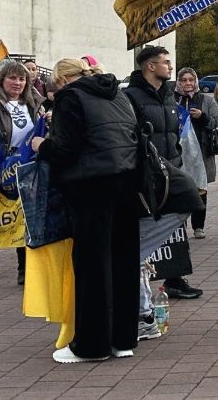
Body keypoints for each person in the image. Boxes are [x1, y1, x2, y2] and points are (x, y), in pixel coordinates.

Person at [34, 58, 139, 363]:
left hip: (90, 187)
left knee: (93, 267)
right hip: (127, 182)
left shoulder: (71, 97)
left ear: (63, 80)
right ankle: (123, 339)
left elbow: (65, 150)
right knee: (123, 262)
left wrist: (41, 143)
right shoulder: (119, 93)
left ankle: (92, 345)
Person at [124, 46, 204, 301]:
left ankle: (175, 277)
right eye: (166, 62)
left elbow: (173, 133)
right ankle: (139, 274)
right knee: (149, 225)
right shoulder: (131, 97)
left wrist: (177, 159)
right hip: (147, 176)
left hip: (172, 169)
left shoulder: (169, 95)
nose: (170, 67)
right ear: (150, 66)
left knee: (177, 223)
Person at [0, 60, 45, 283]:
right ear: (2, 79)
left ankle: (24, 269)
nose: (17, 83)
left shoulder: (35, 103)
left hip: (24, 167)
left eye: (22, 78)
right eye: (12, 78)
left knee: (25, 218)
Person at [175, 68, 218, 239]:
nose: (188, 83)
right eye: (184, 80)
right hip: (178, 153)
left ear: (196, 81)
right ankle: (179, 226)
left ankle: (198, 226)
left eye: (191, 79)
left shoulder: (205, 100)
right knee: (178, 190)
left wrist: (203, 117)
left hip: (201, 153)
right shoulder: (172, 100)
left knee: (200, 190)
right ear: (179, 82)